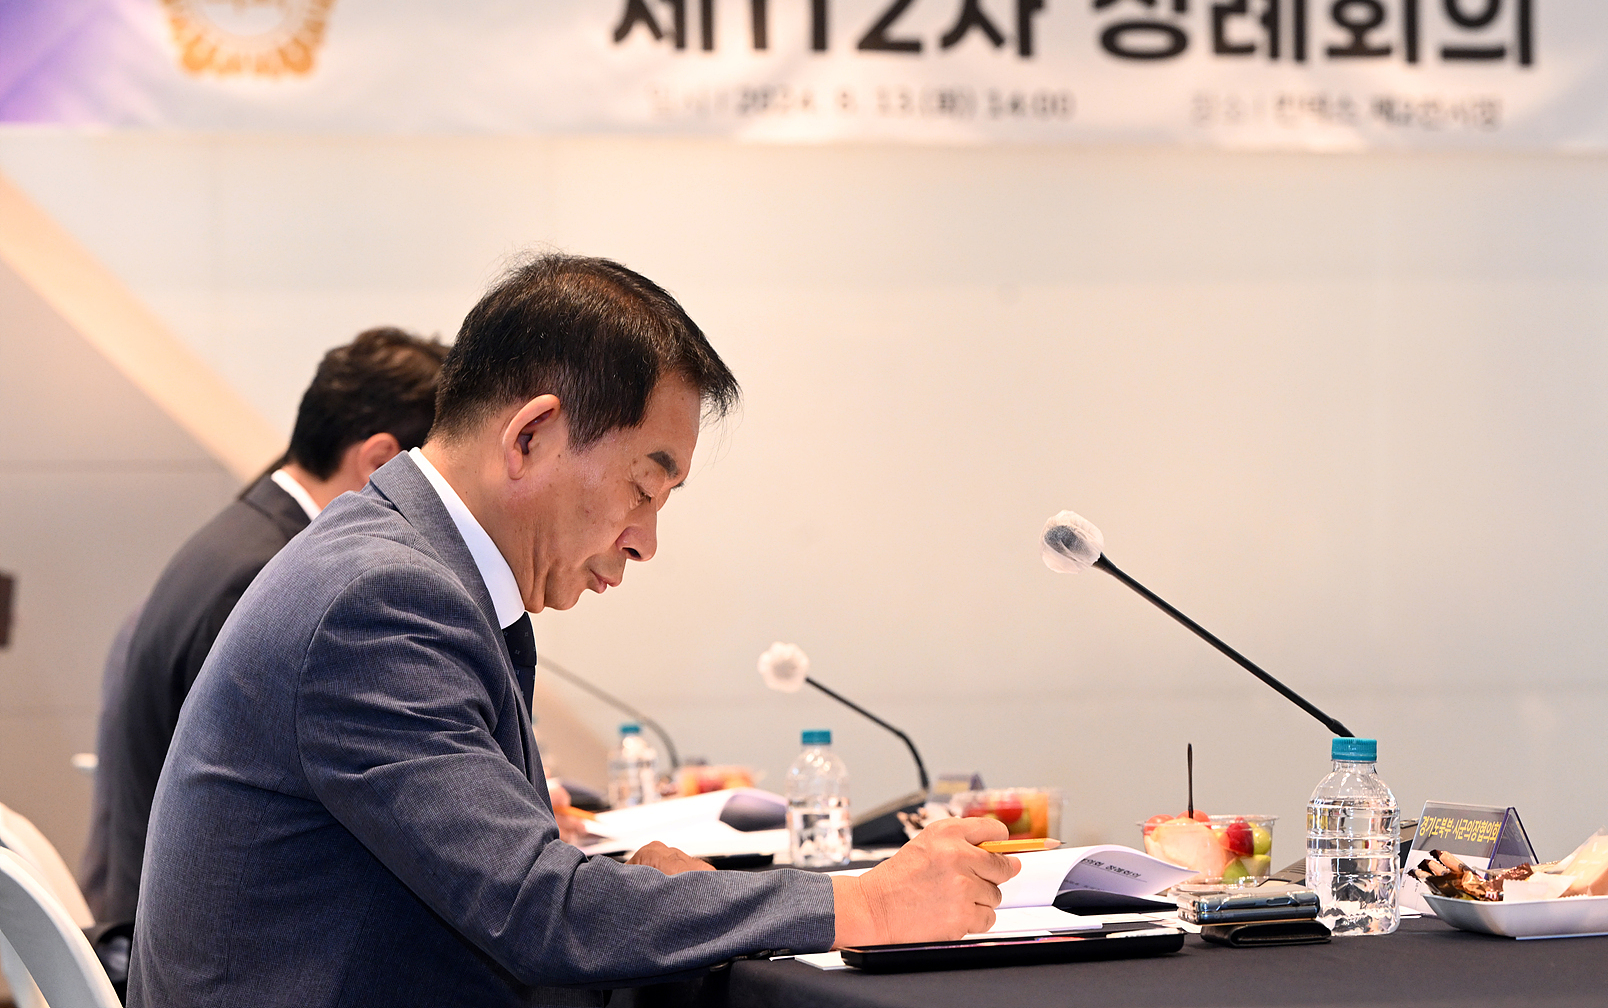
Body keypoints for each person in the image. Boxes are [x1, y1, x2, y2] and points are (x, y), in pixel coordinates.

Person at [129, 255, 1016, 1008]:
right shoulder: (381, 600)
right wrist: (863, 907)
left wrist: (637, 892)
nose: (646, 541)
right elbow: (536, 911)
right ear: (531, 437)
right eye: (642, 488)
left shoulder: (402, 565)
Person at [95, 328, 448, 990]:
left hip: (176, 938)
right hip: (205, 966)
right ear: (380, 459)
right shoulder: (279, 572)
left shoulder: (248, 537)